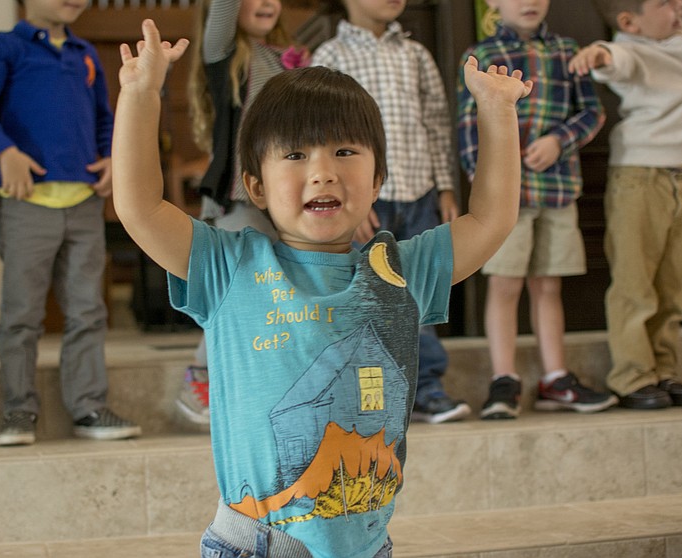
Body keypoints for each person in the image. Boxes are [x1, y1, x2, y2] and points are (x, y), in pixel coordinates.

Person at [113, 18, 531, 557]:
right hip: (257, 544)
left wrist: (498, 113)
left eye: (344, 152)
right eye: (295, 155)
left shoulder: (397, 273)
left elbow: (491, 220)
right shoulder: (230, 264)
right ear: (255, 186)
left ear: (378, 179)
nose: (322, 172)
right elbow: (140, 207)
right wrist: (141, 93)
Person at [0, 0, 140, 446]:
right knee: (21, 313)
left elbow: (102, 118)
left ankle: (90, 408)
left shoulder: (86, 55)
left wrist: (110, 156)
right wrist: (5, 151)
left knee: (88, 311)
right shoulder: (5, 48)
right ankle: (18, 410)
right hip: (26, 205)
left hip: (82, 205)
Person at [311, 0, 469, 424]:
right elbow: (325, 140)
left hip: (419, 193)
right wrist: (347, 200)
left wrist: (447, 186)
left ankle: (426, 388)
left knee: (416, 293)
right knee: (366, 295)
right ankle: (368, 395)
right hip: (367, 201)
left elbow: (436, 123)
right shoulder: (331, 56)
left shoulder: (416, 54)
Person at [458, 0, 616, 420]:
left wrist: (558, 141)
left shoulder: (566, 51)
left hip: (558, 189)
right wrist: (487, 183)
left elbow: (591, 111)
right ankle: (504, 379)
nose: (528, 2)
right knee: (505, 284)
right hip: (507, 200)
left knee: (548, 284)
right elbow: (468, 127)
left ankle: (556, 377)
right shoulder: (484, 56)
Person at [569, 0, 682, 410]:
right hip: (640, 178)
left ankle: (664, 370)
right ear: (630, 22)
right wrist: (599, 54)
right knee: (636, 282)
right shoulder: (634, 49)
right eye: (664, 4)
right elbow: (617, 60)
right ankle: (632, 376)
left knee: (677, 283)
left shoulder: (676, 33)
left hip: (680, 177)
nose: (677, 8)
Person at [177, 0, 308, 427]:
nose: (267, 2)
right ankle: (201, 377)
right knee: (243, 292)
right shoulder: (226, 55)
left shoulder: (287, 60)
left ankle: (255, 382)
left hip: (281, 199)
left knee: (274, 293)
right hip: (238, 199)